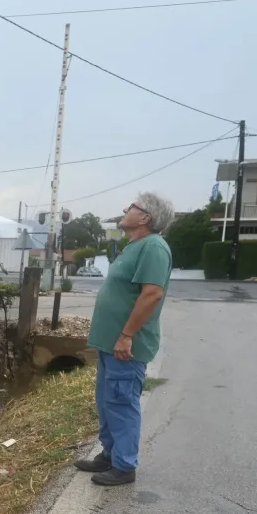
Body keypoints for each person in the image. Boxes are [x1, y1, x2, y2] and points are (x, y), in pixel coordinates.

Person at [74, 192, 174, 486]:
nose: (125, 209)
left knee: (121, 403)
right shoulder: (134, 245)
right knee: (107, 403)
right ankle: (109, 455)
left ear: (145, 218)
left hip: (125, 347)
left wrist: (127, 335)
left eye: (132, 206)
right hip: (111, 345)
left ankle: (124, 465)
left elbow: (152, 294)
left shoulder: (154, 247)